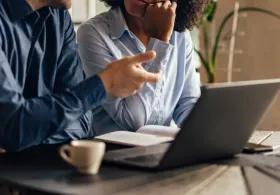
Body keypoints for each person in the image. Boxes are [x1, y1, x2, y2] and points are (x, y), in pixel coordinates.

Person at [0, 0, 161, 152]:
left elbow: (83, 122)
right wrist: (105, 83)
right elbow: (12, 125)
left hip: (39, 167)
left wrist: (25, 136)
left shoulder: (59, 18)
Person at [77, 0, 207, 135]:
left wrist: (205, 134)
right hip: (114, 151)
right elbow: (134, 121)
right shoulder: (92, 32)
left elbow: (188, 104)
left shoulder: (180, 35)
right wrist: (160, 41)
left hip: (163, 150)